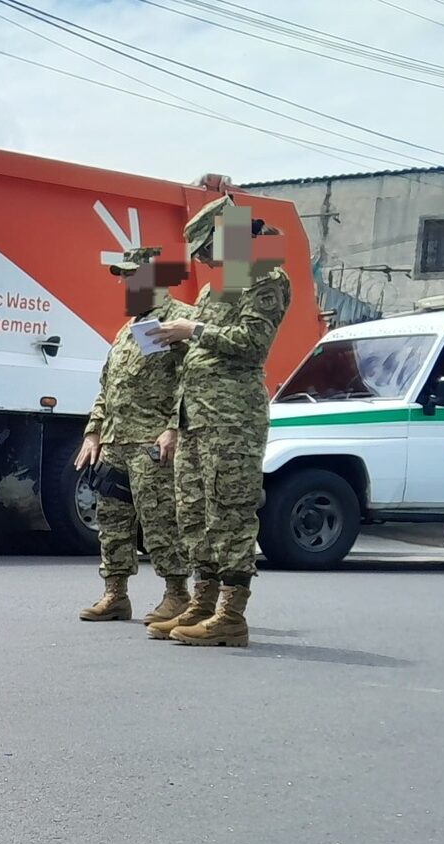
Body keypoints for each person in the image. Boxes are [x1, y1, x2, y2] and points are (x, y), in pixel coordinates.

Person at [148, 197, 290, 647]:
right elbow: (197, 362)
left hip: (234, 420)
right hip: (197, 418)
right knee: (194, 513)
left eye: (208, 247)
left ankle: (231, 616)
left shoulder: (267, 277)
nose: (205, 260)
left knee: (229, 511)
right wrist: (173, 420)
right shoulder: (216, 289)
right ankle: (203, 604)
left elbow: (251, 342)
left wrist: (193, 331)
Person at [76, 246, 194, 624]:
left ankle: (177, 595)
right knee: (111, 521)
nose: (126, 284)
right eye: (124, 278)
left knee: (160, 522)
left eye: (133, 276)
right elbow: (107, 386)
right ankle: (115, 594)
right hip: (116, 443)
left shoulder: (182, 321)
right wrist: (93, 433)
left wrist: (173, 428)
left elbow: (195, 380)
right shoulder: (128, 330)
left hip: (151, 442)